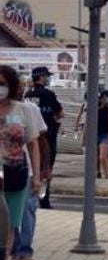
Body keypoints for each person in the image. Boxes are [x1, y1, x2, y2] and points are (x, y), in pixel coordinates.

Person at [0, 66, 41, 260]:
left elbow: (34, 144)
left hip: (16, 173)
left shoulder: (23, 110)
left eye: (3, 84)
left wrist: (36, 177)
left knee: (9, 223)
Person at [24, 67, 61, 208]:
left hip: (29, 136)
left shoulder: (27, 95)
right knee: (46, 168)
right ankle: (44, 199)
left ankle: (31, 197)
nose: (48, 79)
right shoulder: (48, 94)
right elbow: (60, 113)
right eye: (46, 76)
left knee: (32, 168)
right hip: (46, 136)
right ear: (41, 77)